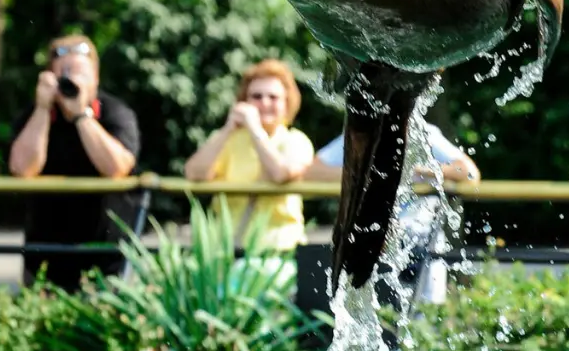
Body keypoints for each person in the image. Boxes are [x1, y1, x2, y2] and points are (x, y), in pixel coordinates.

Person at [9, 35, 141, 292]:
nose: (70, 80)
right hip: (44, 262)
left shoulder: (115, 113)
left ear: (96, 78)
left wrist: (81, 115)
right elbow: (22, 169)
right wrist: (42, 109)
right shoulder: (33, 115)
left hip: (106, 263)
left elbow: (116, 168)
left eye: (79, 72)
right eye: (63, 73)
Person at [308, 121, 481, 303]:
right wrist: (366, 170)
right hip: (369, 241)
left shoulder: (423, 132)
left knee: (424, 311)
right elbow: (311, 172)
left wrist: (418, 170)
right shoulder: (362, 131)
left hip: (420, 243)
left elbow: (469, 174)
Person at [184, 58, 314, 251]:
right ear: (245, 101)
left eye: (273, 97)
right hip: (225, 251)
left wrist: (255, 130)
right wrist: (228, 129)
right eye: (257, 96)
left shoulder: (296, 141)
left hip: (278, 252)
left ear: (287, 103)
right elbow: (194, 173)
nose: (265, 103)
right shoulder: (227, 140)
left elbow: (280, 174)